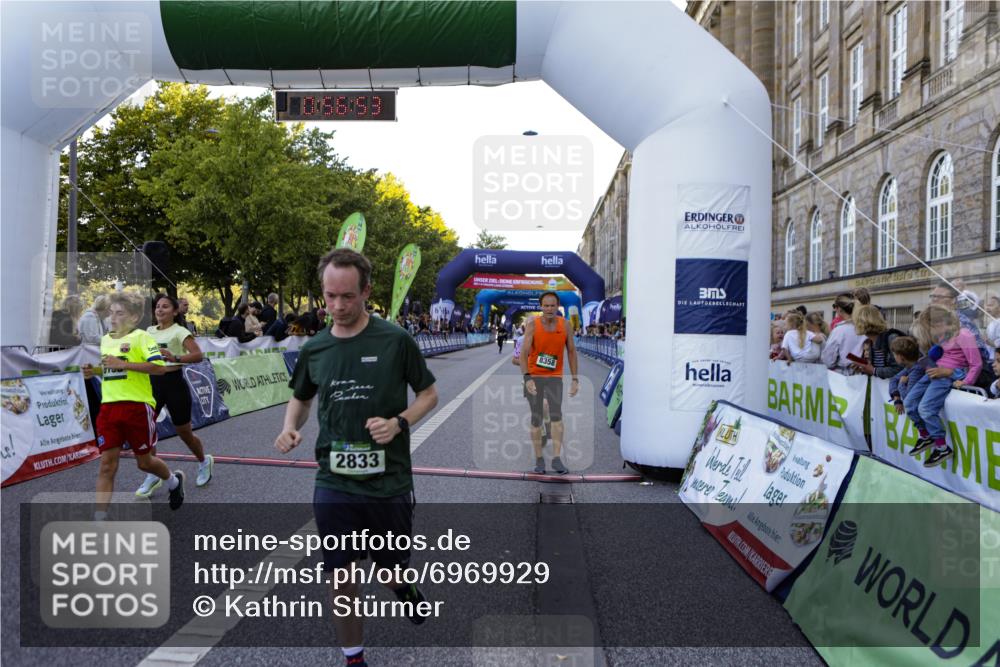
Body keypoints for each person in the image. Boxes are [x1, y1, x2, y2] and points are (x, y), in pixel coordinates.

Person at [275, 249, 438, 667]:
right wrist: (291, 426)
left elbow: (428, 395)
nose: (338, 306)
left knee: (388, 573)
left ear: (366, 291)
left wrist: (399, 423)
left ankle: (404, 589)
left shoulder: (395, 340)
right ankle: (354, 658)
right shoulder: (316, 348)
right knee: (340, 578)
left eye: (348, 297)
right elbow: (300, 398)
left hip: (389, 481)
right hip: (335, 479)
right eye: (330, 296)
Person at [81, 292, 184, 518]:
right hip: (108, 408)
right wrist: (94, 371)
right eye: (111, 313)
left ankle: (173, 482)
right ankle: (99, 522)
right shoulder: (106, 339)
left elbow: (159, 368)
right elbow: (112, 369)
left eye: (120, 313)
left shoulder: (142, 338)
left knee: (145, 463)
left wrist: (122, 364)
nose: (113, 318)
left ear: (135, 317)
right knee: (107, 465)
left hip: (137, 406)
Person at [136, 293, 214, 497]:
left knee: (184, 432)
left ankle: (204, 461)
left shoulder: (180, 331)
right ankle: (153, 473)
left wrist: (175, 356)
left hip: (174, 383)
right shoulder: (149, 331)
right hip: (152, 384)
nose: (159, 310)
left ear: (175, 311)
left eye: (165, 307)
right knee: (147, 428)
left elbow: (198, 355)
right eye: (157, 307)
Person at [906, 305, 983, 467]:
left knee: (925, 409)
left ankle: (941, 447)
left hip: (944, 376)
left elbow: (975, 364)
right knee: (909, 403)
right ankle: (925, 436)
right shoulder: (942, 336)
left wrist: (964, 381)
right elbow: (939, 354)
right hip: (933, 372)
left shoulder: (964, 335)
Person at [519, 291, 579, 475]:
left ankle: (556, 459)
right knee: (536, 417)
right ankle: (539, 460)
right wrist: (527, 377)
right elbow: (523, 354)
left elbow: (571, 352)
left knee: (556, 417)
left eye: (552, 305)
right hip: (535, 376)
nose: (549, 309)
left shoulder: (565, 325)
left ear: (558, 306)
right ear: (541, 306)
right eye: (546, 305)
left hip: (554, 377)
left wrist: (575, 379)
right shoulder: (533, 325)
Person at [849, 305, 904, 379]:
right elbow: (877, 370)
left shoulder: (892, 338)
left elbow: (900, 370)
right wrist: (864, 369)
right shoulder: (872, 341)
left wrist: (874, 370)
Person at [821, 294, 866, 373]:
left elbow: (828, 360)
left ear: (840, 309)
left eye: (835, 306)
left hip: (842, 375)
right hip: (862, 374)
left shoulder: (839, 330)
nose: (835, 309)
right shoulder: (864, 327)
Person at [887, 336, 928, 413]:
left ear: (901, 357)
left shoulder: (917, 370)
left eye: (894, 355)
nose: (894, 357)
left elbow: (908, 397)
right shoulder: (909, 367)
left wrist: (901, 384)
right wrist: (897, 398)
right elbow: (893, 379)